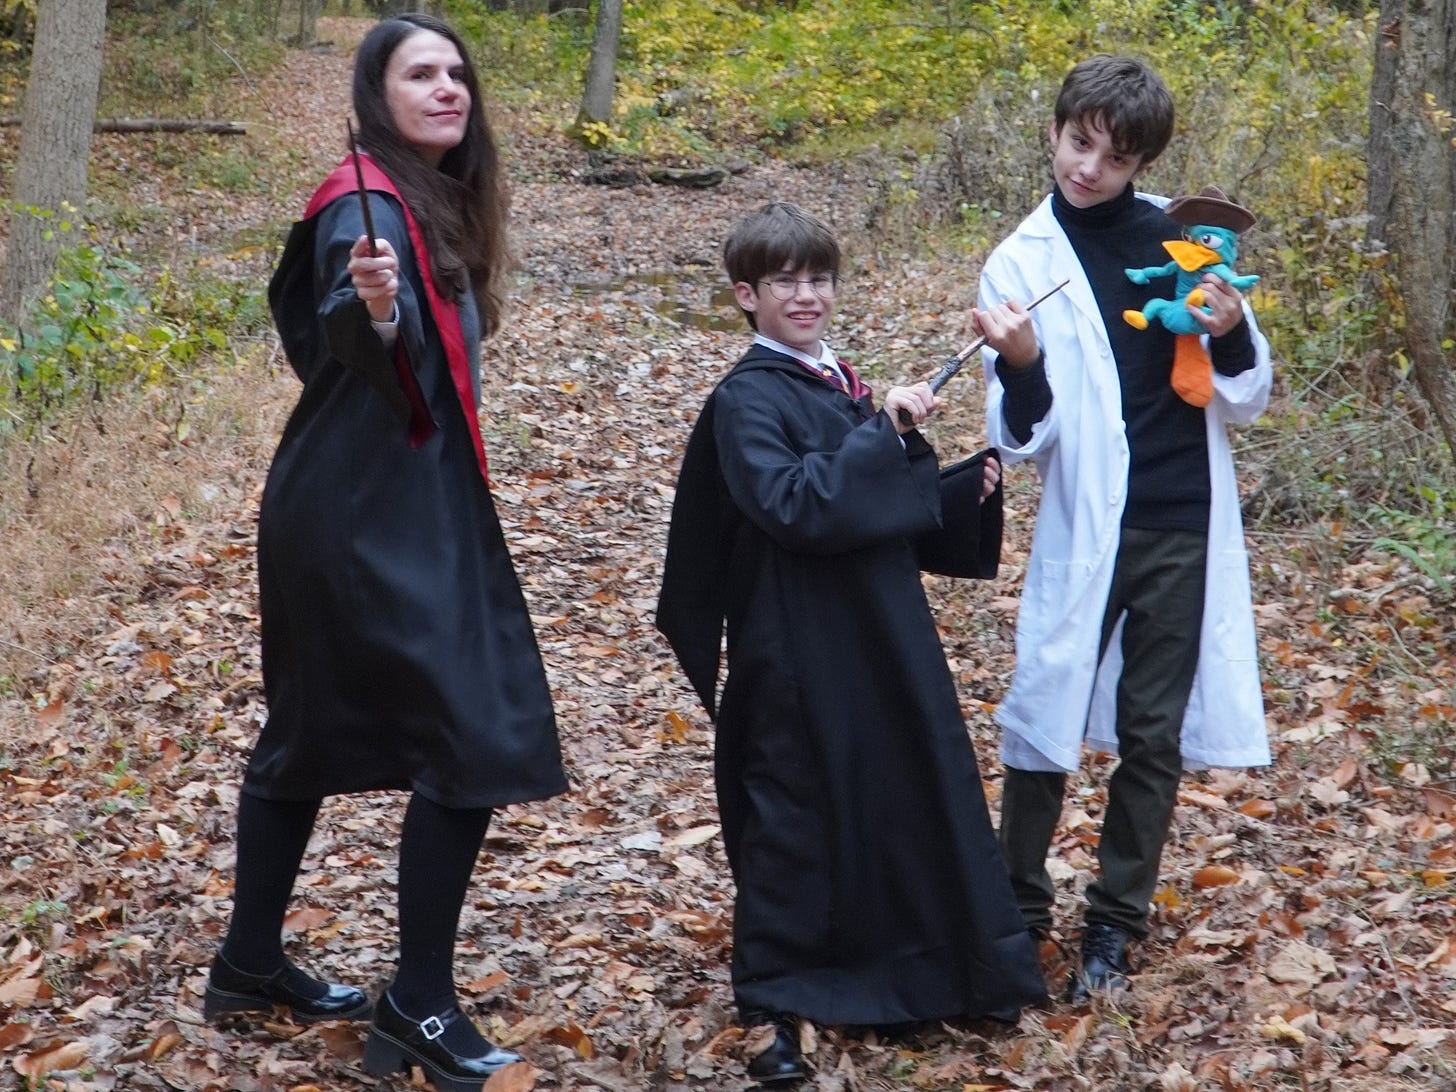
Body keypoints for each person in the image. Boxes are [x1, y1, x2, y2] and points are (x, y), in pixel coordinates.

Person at [204, 14, 566, 1091]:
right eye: (421, 74)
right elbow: (349, 317)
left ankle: (248, 965)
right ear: (377, 94)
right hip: (363, 514)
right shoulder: (365, 205)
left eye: (457, 72)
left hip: (376, 500)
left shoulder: (427, 196)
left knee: (309, 731)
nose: (448, 87)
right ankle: (418, 1004)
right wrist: (373, 305)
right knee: (473, 731)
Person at [657, 201, 1046, 1084]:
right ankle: (777, 996)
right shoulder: (747, 398)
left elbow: (874, 506)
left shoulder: (837, 381)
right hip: (794, 642)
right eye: (784, 282)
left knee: (895, 784)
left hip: (876, 630)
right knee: (795, 807)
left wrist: (956, 490)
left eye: (819, 279)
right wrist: (885, 433)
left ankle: (917, 973)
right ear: (746, 296)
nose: (806, 296)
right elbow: (793, 502)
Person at [975, 54, 1272, 1003]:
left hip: (1181, 517)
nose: (1089, 168)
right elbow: (1021, 436)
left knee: (1153, 732)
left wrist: (1230, 327)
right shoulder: (1021, 260)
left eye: (1114, 157)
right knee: (1043, 707)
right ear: (1056, 131)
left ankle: (1114, 920)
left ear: (1143, 162)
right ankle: (1016, 913)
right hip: (1086, 522)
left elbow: (1246, 394)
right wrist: (1022, 363)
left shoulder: (1180, 240)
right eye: (1078, 144)